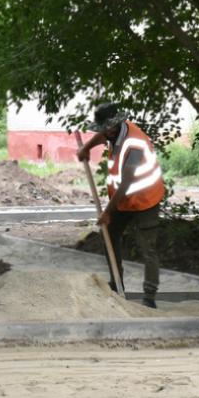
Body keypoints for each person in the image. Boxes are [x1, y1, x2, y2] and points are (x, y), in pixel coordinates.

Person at [76, 102, 164, 308]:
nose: (105, 133)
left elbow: (126, 182)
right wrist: (87, 148)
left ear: (116, 124)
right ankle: (117, 285)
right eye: (103, 130)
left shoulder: (134, 143)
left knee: (148, 249)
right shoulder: (112, 134)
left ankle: (149, 298)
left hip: (145, 200)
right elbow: (102, 137)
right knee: (109, 233)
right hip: (124, 200)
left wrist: (107, 211)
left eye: (108, 129)